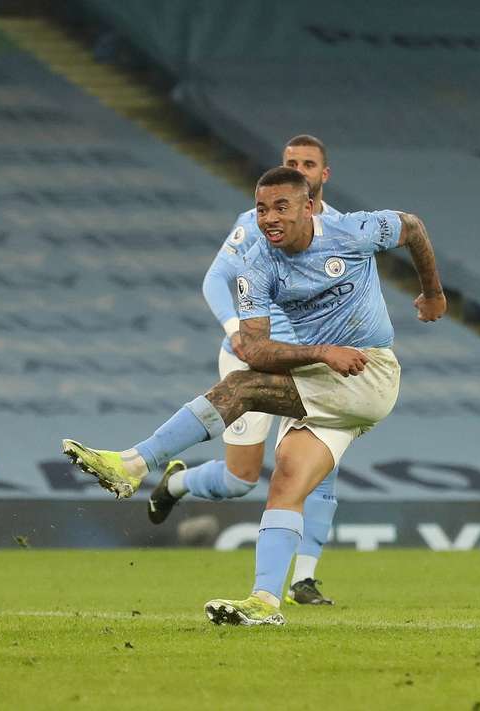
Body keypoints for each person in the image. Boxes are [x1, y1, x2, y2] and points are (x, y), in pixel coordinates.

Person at [63, 167, 446, 626]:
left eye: (282, 207)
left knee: (242, 388)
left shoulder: (352, 231)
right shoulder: (257, 264)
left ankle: (134, 464)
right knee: (285, 481)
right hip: (326, 376)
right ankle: (265, 602)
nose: (269, 218)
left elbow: (412, 227)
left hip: (370, 372)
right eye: (262, 209)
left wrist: (433, 293)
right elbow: (256, 348)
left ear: (309, 207)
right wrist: (321, 351)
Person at [147, 135, 341, 605]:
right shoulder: (256, 222)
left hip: (307, 364)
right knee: (241, 479)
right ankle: (176, 481)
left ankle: (303, 580)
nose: (300, 169)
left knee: (318, 466)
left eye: (308, 164)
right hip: (251, 358)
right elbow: (216, 278)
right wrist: (236, 328)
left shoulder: (342, 229)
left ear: (323, 174)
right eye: (291, 162)